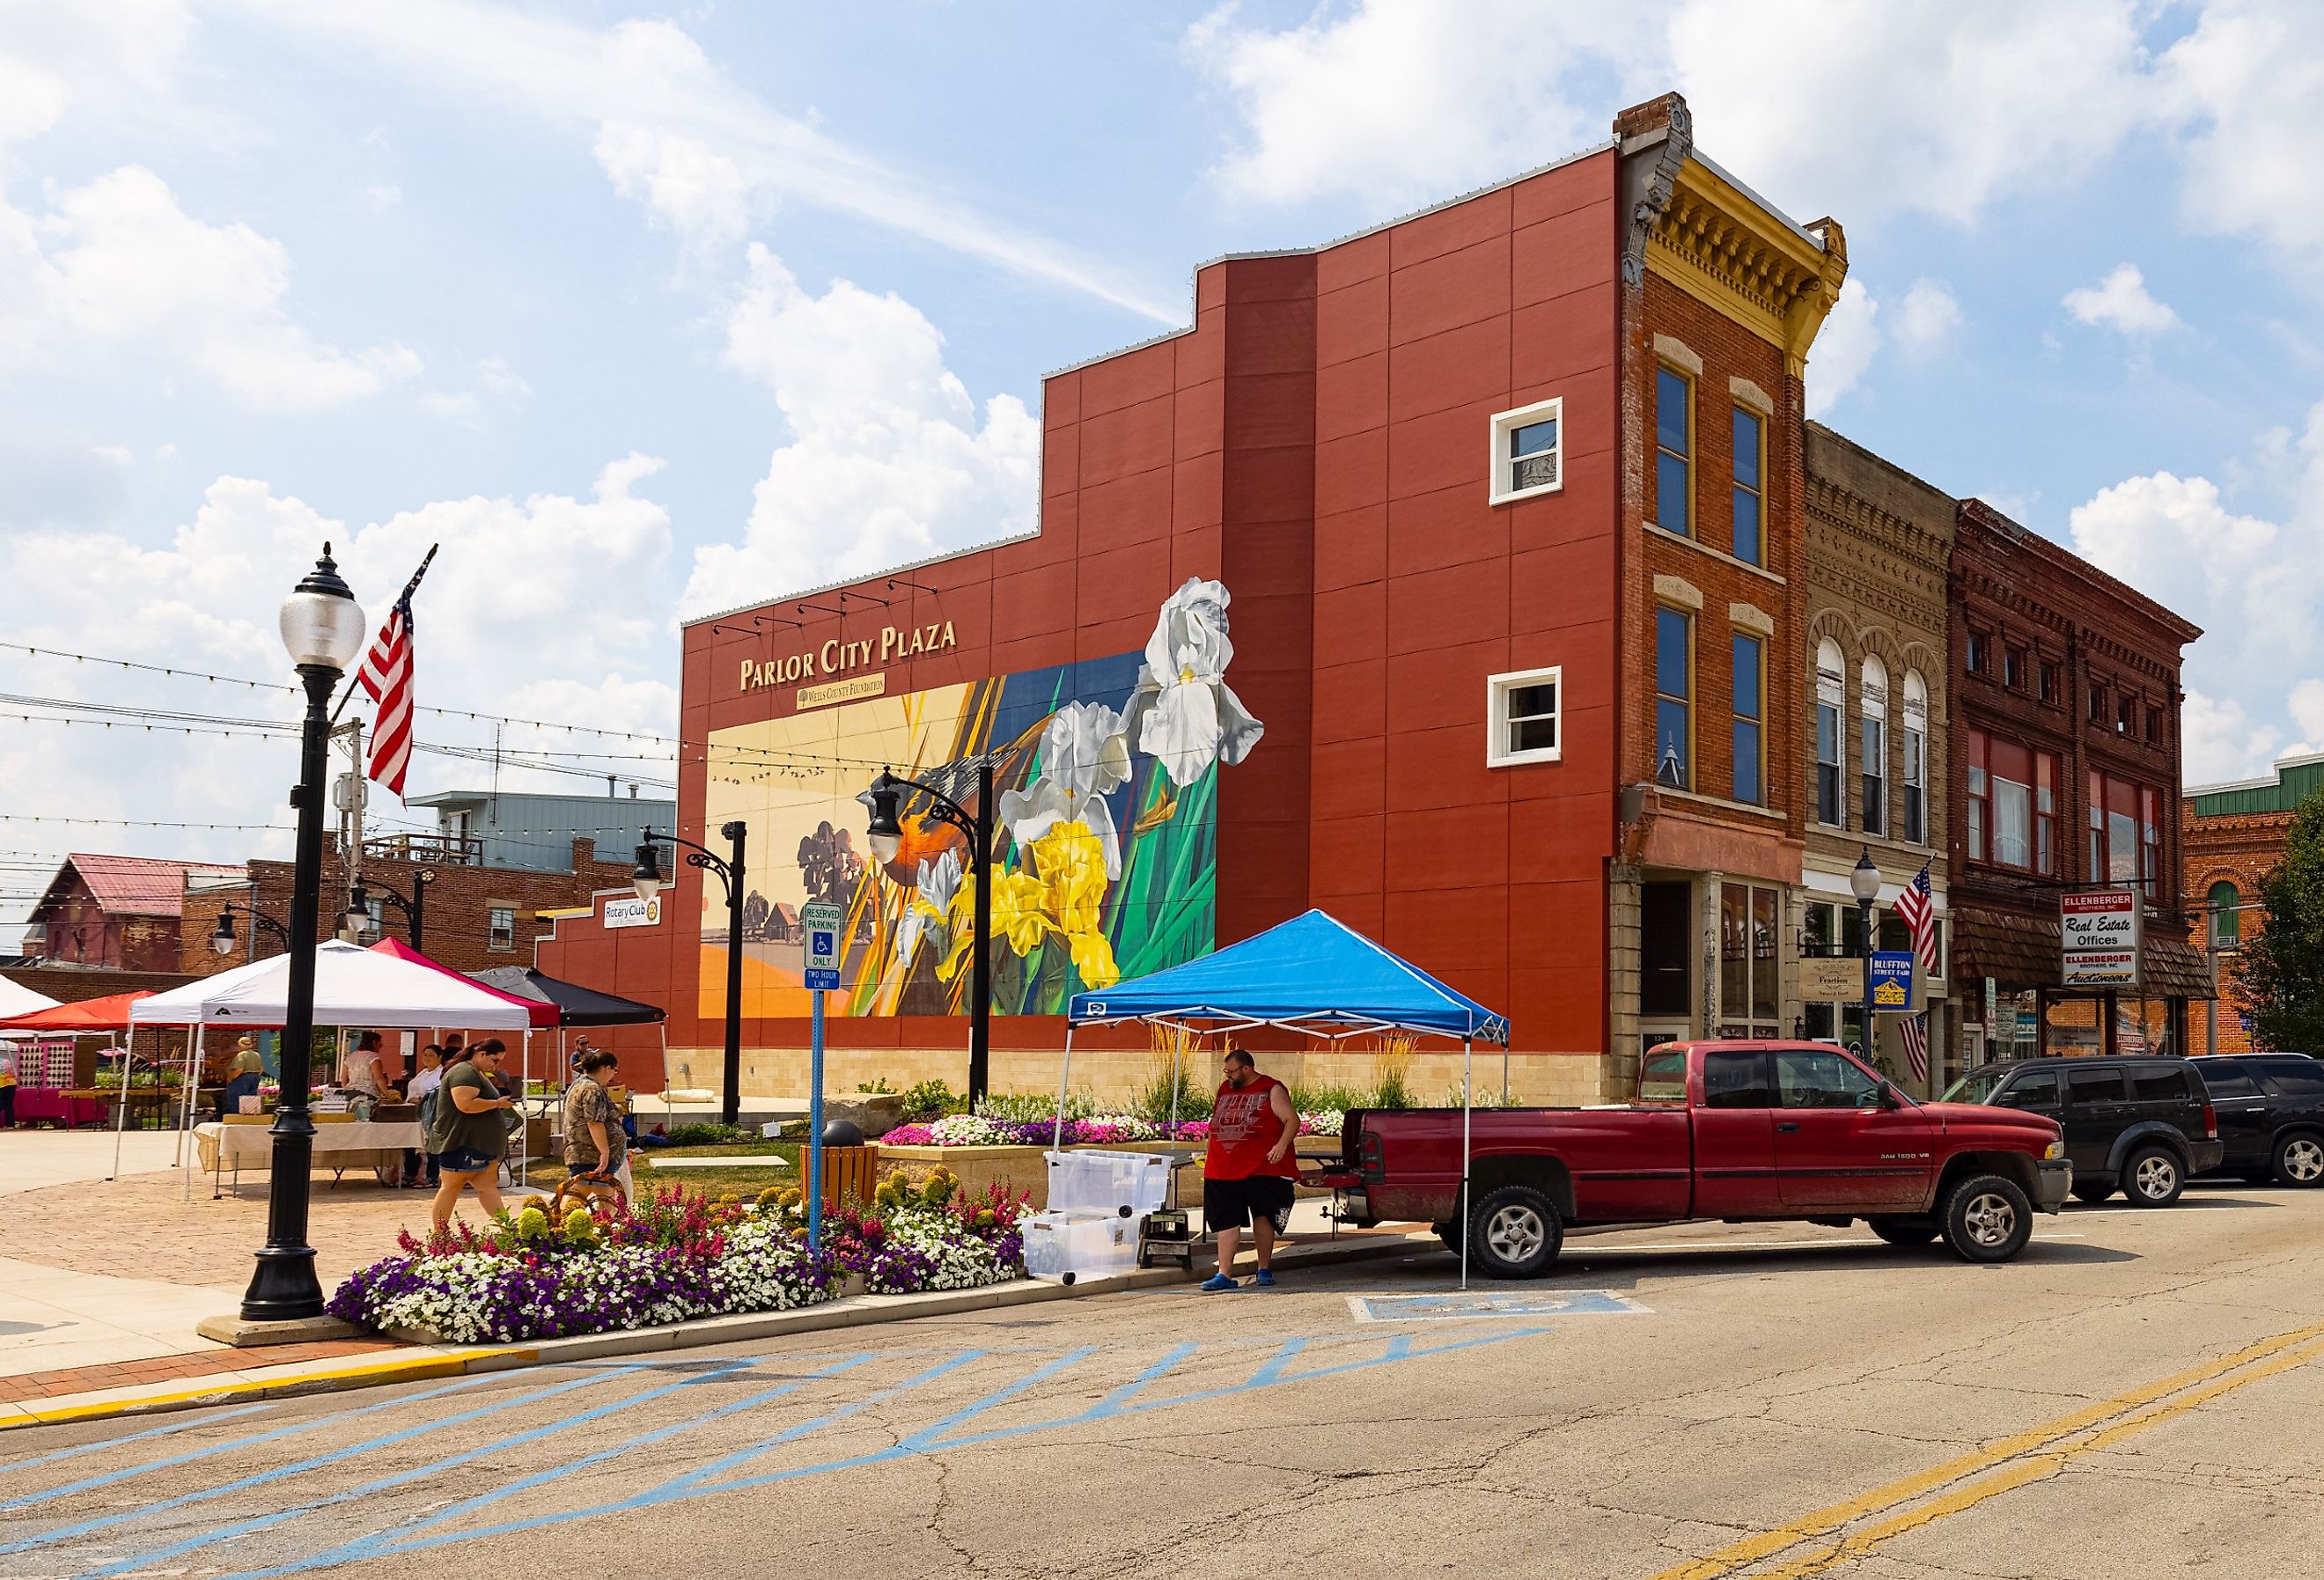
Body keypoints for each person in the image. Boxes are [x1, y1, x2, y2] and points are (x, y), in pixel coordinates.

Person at [1199, 1048, 1300, 1292]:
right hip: (1223, 1168)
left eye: (1231, 1071)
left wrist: (1280, 1145)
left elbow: (1292, 1120)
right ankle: (1224, 1273)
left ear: (1246, 1069)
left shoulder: (1271, 1089)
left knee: (1263, 1216)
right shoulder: (1225, 1089)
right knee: (1226, 1220)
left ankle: (1263, 1268)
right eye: (1226, 1071)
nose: (1228, 1076)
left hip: (1262, 1168)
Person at [428, 1038, 515, 1227]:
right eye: (495, 1059)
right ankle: (440, 1235)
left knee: (487, 1188)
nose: (496, 1065)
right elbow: (465, 1104)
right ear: (481, 1054)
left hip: (478, 1145)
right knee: (450, 1188)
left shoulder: (475, 1072)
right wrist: (497, 1103)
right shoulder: (464, 1072)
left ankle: (508, 1229)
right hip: (461, 1143)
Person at [561, 1048, 631, 1199]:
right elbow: (594, 1123)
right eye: (614, 1070)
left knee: (604, 1198)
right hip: (591, 1155)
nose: (613, 1076)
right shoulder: (592, 1089)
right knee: (578, 1197)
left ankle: (601, 1220)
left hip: (585, 1153)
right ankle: (569, 1220)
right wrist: (605, 1153)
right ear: (607, 1068)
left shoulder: (579, 1085)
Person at [401, 1045, 445, 1189]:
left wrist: (418, 1100)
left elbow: (435, 1096)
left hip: (430, 1115)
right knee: (412, 1143)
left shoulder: (440, 1074)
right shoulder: (423, 1072)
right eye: (425, 1054)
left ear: (439, 1057)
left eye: (431, 1055)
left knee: (430, 1146)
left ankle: (432, 1177)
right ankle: (410, 1174)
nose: (427, 1058)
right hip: (413, 1114)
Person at [342, 1030, 401, 1111]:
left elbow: (343, 1078)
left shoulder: (351, 1056)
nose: (380, 1048)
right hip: (367, 1093)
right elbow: (379, 1078)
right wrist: (387, 1094)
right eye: (380, 1045)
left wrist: (346, 1088)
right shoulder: (373, 1057)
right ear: (374, 1042)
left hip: (349, 1092)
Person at [216, 1035, 264, 1122]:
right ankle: (250, 1118)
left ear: (241, 1045)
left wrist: (230, 1078)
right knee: (251, 1099)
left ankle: (237, 1119)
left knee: (237, 1100)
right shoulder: (256, 1055)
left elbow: (239, 1069)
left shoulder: (241, 1055)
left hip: (242, 1078)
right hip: (255, 1077)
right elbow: (261, 1069)